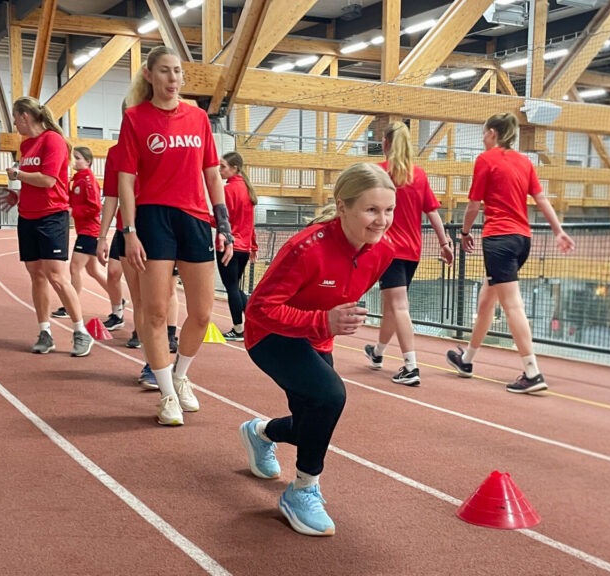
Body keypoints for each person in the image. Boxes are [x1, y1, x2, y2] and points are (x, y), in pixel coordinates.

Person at [238, 162, 396, 537]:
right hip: (269, 337)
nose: (382, 220)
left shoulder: (383, 252)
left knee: (313, 420)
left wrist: (324, 327)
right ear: (342, 207)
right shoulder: (304, 249)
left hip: (315, 337)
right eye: (371, 210)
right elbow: (259, 310)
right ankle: (302, 490)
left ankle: (260, 432)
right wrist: (322, 321)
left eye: (389, 210)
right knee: (330, 396)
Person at [114, 46, 234, 425]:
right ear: (149, 75)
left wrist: (225, 226)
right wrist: (129, 233)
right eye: (165, 71)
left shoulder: (198, 118)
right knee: (155, 310)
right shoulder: (135, 119)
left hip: (195, 218)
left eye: (177, 72)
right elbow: (126, 182)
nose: (173, 78)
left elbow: (213, 175)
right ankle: (166, 395)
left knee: (201, 312)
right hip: (153, 219)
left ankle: (180, 377)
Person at [444, 112, 574, 394]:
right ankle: (466, 360)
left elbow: (474, 204)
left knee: (512, 304)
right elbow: (540, 199)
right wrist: (558, 231)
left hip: (499, 239)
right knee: (486, 300)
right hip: (521, 238)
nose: (482, 138)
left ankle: (532, 372)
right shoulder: (524, 162)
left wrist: (465, 233)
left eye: (483, 133)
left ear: (492, 133)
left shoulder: (486, 160)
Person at [0, 96, 93, 357]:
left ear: (25, 116)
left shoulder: (53, 140)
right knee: (36, 274)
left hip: (52, 216)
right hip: (27, 216)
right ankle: (45, 331)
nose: (15, 124)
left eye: (16, 119)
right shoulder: (25, 145)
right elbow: (30, 181)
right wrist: (15, 194)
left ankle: (80, 331)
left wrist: (18, 175)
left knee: (56, 276)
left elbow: (49, 180)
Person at [362, 121, 453, 386]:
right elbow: (432, 212)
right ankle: (377, 353)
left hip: (386, 249)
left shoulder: (378, 173)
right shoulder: (419, 175)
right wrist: (445, 242)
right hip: (413, 250)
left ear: (386, 144)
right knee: (393, 305)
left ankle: (411, 367)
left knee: (398, 305)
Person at [97, 138, 182, 389]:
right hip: (129, 232)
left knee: (165, 295)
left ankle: (168, 346)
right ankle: (153, 364)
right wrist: (102, 236)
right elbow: (112, 196)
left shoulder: (168, 145)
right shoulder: (116, 153)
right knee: (141, 302)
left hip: (164, 229)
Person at [51, 146, 124, 328]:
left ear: (88, 161)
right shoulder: (76, 179)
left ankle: (70, 306)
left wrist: (73, 211)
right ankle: (119, 299)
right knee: (92, 271)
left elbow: (95, 207)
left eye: (78, 158)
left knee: (75, 268)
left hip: (89, 232)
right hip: (83, 230)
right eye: (73, 157)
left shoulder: (89, 181)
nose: (74, 161)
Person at [216, 151, 259, 341]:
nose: (219, 170)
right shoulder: (248, 191)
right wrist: (253, 247)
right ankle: (255, 320)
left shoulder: (228, 190)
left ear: (235, 168)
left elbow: (222, 220)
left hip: (230, 244)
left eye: (223, 166)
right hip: (244, 247)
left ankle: (238, 328)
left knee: (231, 288)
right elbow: (250, 223)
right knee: (235, 287)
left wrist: (199, 217)